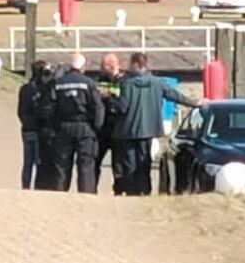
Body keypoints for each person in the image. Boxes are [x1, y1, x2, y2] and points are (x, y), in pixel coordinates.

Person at [113, 52, 200, 196]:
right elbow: (175, 96)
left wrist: (112, 101)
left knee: (129, 163)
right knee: (144, 162)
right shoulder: (158, 83)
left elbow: (122, 107)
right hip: (148, 130)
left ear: (134, 64)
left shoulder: (127, 84)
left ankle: (131, 191)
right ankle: (145, 190)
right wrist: (194, 103)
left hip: (128, 131)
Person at [52, 53, 105, 194]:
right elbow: (98, 107)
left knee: (62, 164)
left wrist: (55, 126)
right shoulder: (88, 83)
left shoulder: (59, 83)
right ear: (83, 66)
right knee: (86, 164)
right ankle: (87, 195)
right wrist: (96, 127)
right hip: (85, 128)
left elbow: (52, 107)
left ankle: (59, 194)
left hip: (64, 127)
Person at [95, 53, 125, 193]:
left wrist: (108, 96)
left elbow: (124, 101)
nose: (101, 69)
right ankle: (91, 189)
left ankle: (118, 191)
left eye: (103, 66)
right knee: (95, 160)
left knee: (118, 163)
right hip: (102, 127)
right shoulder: (99, 80)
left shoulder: (124, 81)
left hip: (118, 126)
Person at [17, 60, 47, 190]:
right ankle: (39, 186)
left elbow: (20, 111)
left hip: (27, 128)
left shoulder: (24, 89)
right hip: (40, 129)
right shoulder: (44, 88)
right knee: (41, 161)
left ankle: (26, 186)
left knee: (28, 162)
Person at [34, 62, 59, 190]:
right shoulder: (41, 88)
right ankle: (45, 186)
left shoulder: (48, 88)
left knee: (47, 161)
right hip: (46, 129)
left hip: (48, 129)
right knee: (45, 161)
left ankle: (48, 186)